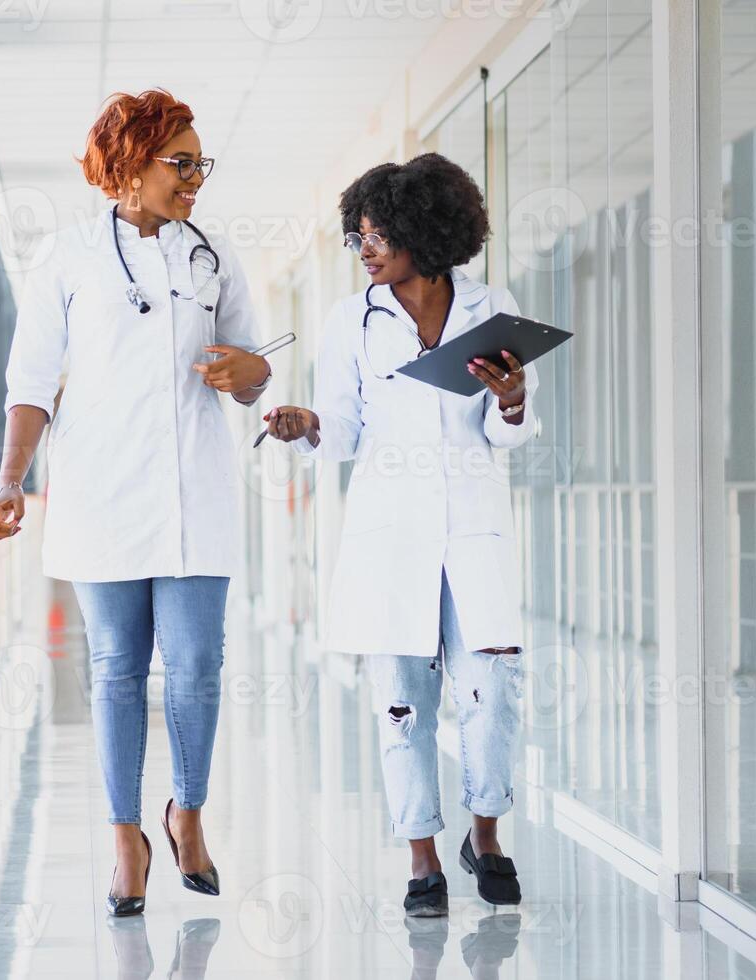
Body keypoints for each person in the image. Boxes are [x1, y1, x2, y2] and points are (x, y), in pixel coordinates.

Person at [0, 89, 269, 917]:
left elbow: (256, 371)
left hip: (196, 492)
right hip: (101, 493)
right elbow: (31, 382)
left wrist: (247, 374)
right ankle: (125, 841)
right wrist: (11, 481)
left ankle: (186, 810)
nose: (194, 178)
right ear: (129, 165)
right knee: (114, 673)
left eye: (198, 162)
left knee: (196, 667)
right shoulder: (67, 256)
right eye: (179, 163)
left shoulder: (214, 256)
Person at [265, 153, 536, 916]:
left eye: (379, 234)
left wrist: (512, 401)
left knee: (491, 697)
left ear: (426, 229)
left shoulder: (490, 309)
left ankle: (485, 834)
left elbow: (509, 433)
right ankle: (421, 857)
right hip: (392, 539)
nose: (367, 250)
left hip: (473, 534)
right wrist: (308, 423)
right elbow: (344, 432)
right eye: (358, 238)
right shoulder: (349, 321)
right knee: (404, 706)